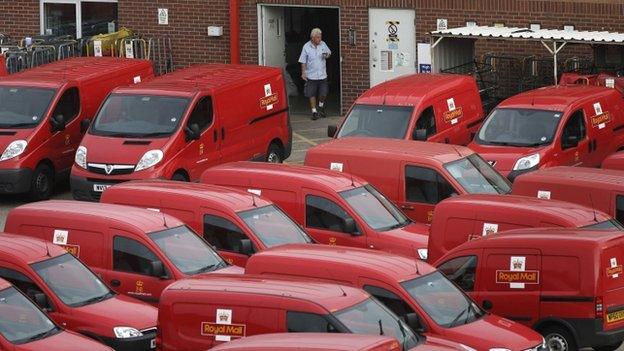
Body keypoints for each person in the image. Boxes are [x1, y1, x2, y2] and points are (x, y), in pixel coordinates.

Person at [299, 28, 331, 120]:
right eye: (317, 37)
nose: (319, 39)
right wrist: (303, 73)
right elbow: (303, 61)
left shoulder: (323, 44)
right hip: (311, 76)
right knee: (311, 94)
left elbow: (329, 53)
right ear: (312, 38)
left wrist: (326, 55)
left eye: (320, 37)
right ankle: (314, 112)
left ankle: (321, 106)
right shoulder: (306, 47)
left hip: (322, 75)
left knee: (323, 94)